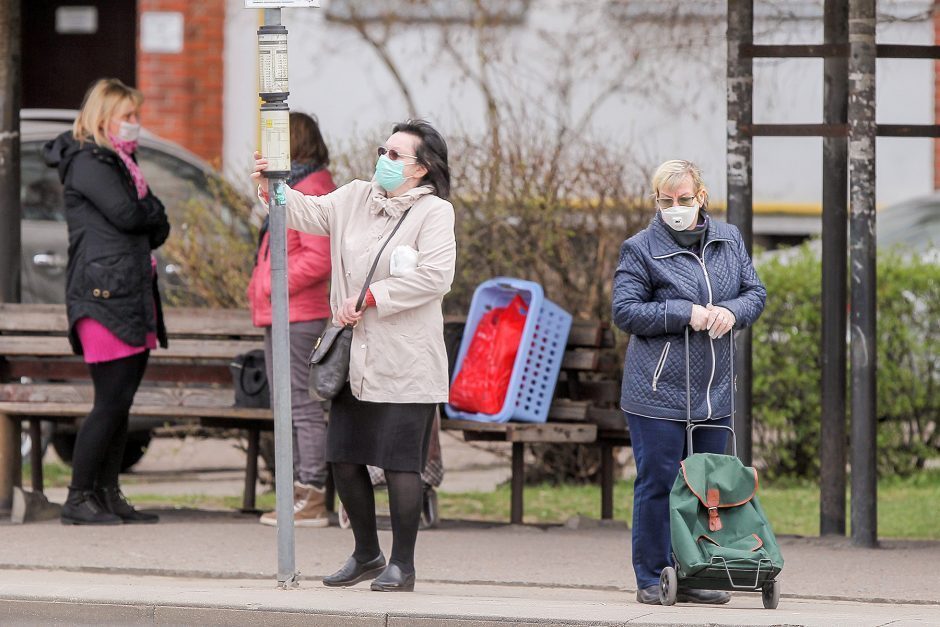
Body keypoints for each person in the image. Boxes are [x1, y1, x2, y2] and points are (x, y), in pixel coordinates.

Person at [251, 119, 455, 592]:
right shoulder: (355, 196)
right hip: (354, 356)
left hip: (407, 358)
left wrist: (374, 296)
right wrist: (271, 187)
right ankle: (366, 552)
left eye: (395, 155)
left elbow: (436, 277)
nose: (383, 160)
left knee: (403, 463)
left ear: (422, 169)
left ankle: (402, 564)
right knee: (344, 457)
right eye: (382, 150)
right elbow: (303, 212)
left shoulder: (434, 213)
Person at [611, 160, 766, 605]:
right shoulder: (640, 249)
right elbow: (625, 311)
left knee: (706, 486)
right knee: (659, 481)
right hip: (657, 391)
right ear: (657, 202)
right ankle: (651, 574)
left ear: (702, 196)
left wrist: (733, 311)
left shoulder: (728, 239)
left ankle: (699, 571)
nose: (675, 208)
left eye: (683, 199)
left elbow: (755, 292)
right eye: (666, 201)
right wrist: (685, 312)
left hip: (713, 391)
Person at [43, 78, 170, 525]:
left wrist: (149, 213)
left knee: (122, 401)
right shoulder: (89, 160)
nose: (136, 124)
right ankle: (78, 497)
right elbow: (130, 214)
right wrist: (150, 211)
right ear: (103, 117)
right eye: (128, 116)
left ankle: (107, 491)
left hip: (130, 293)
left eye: (138, 115)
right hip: (102, 296)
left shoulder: (122, 161)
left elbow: (156, 226)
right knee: (110, 400)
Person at [249, 112, 335, 528]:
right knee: (288, 403)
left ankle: (311, 493)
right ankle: (298, 491)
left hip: (299, 313)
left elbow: (318, 260)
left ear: (293, 143)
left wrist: (272, 286)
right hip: (283, 311)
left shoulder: (313, 188)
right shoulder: (292, 186)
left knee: (300, 404)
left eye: (273, 140)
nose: (266, 149)